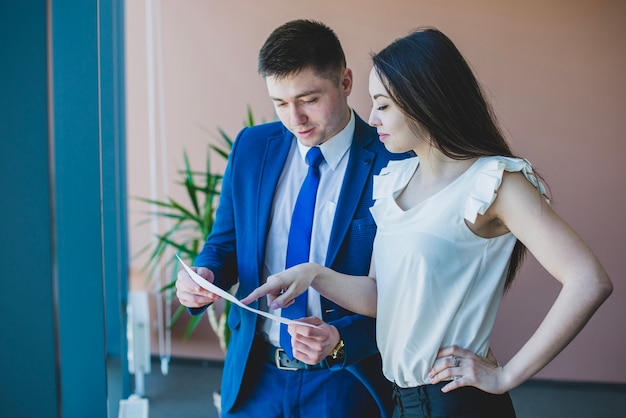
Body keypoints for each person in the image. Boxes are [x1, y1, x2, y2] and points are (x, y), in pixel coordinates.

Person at [242, 27, 613, 417]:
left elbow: (589, 280)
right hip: (400, 401)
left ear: (424, 101)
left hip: (454, 400)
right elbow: (383, 298)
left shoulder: (493, 181)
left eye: (383, 105)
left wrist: (507, 375)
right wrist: (312, 273)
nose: (371, 117)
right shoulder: (396, 181)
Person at [175, 19, 412, 417]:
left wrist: (341, 340)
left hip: (346, 380)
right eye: (280, 103)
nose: (294, 118)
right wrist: (204, 276)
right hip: (255, 378)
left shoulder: (395, 161)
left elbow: (406, 292)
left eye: (308, 99)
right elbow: (224, 244)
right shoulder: (252, 146)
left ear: (346, 81)